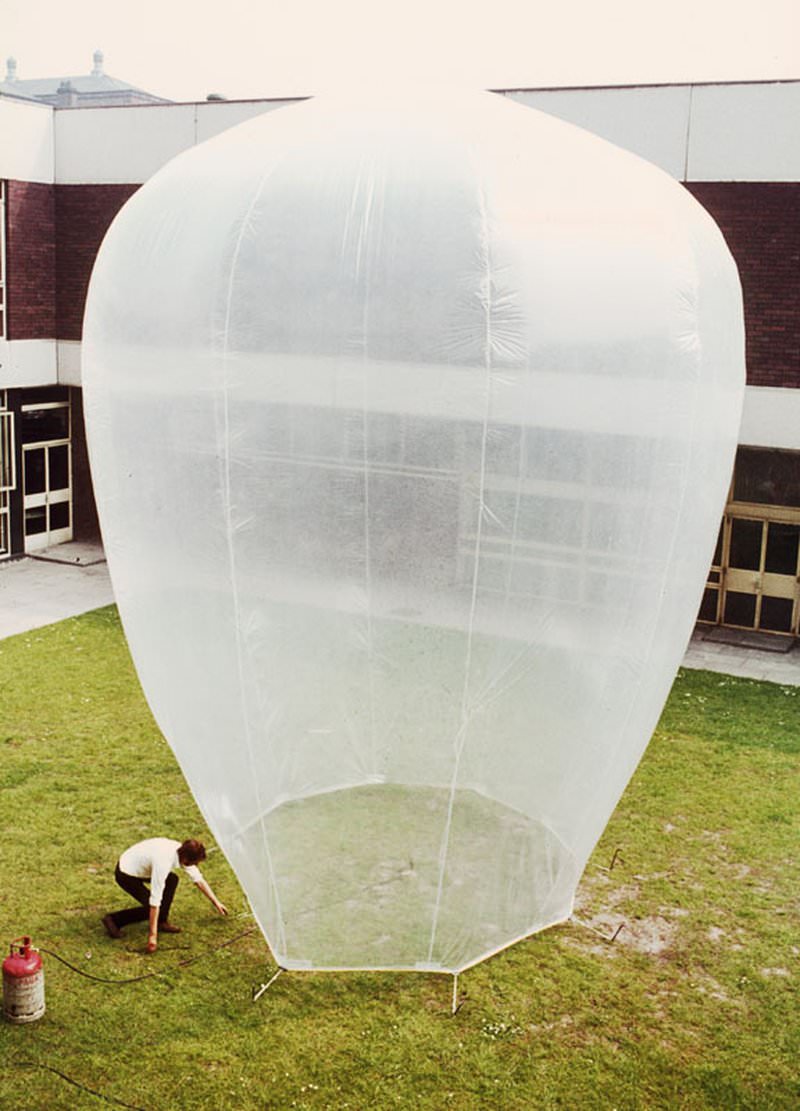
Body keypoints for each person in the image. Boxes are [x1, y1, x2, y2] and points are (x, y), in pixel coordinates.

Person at [102, 837, 228, 952]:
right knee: (150, 907)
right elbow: (155, 901)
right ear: (185, 859)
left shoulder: (181, 851)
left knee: (172, 880)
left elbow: (198, 879)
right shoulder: (163, 861)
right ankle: (113, 920)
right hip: (126, 872)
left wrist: (216, 902)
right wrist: (152, 937)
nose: (196, 865)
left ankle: (162, 921)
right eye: (194, 863)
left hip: (139, 865)